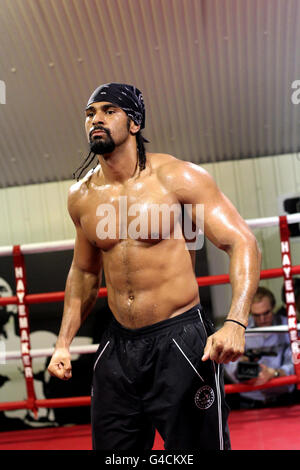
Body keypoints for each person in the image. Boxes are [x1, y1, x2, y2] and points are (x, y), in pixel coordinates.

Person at [48, 82, 261, 450]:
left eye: (108, 111)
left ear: (134, 123)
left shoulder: (178, 178)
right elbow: (84, 272)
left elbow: (242, 241)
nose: (95, 119)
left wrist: (236, 323)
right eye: (90, 114)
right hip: (119, 345)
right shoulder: (81, 196)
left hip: (180, 339)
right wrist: (63, 343)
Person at [225, 286, 295, 409]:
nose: (262, 319)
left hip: (284, 399)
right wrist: (246, 369)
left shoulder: (288, 326)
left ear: (273, 307)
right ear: (250, 312)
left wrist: (274, 373)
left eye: (266, 313)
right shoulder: (240, 328)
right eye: (257, 315)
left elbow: (295, 361)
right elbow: (229, 365)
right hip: (250, 401)